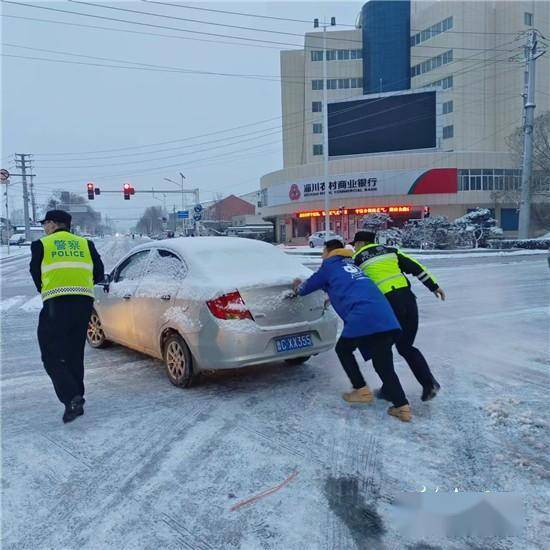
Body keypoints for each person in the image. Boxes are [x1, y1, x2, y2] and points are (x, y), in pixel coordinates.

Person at [292, 239, 412, 422]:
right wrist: (331, 297)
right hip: (385, 315)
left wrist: (297, 284)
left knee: (343, 349)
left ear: (328, 251)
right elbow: (348, 286)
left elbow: (304, 289)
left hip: (362, 314)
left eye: (323, 252)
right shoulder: (353, 265)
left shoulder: (329, 267)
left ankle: (361, 390)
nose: (322, 256)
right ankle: (402, 407)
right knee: (383, 363)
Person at [351, 231, 445, 402]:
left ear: (361, 243)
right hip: (409, 301)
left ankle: (390, 390)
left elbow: (351, 284)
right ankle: (429, 383)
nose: (353, 247)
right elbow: (416, 267)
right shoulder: (391, 251)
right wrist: (434, 287)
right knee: (406, 346)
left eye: (354, 244)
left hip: (387, 306)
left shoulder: (357, 259)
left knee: (381, 351)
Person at [29, 210, 104, 423]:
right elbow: (98, 273)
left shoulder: (42, 245)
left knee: (50, 354)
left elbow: (36, 274)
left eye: (46, 223)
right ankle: (77, 396)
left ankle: (71, 397)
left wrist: (49, 289)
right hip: (83, 304)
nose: (44, 227)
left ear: (53, 224)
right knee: (74, 352)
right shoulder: (85, 244)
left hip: (55, 304)